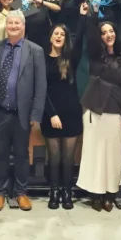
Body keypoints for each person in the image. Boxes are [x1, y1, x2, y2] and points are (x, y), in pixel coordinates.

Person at [76, 0, 121, 212]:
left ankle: (110, 192)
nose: (107, 35)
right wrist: (92, 11)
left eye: (111, 31)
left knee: (112, 154)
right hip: (94, 107)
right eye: (103, 32)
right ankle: (95, 194)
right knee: (94, 153)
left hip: (115, 109)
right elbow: (90, 33)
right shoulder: (94, 53)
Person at [0, 12, 47, 211]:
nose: (13, 25)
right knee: (1, 155)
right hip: (0, 112)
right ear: (6, 25)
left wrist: (35, 115)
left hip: (23, 113)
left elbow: (40, 85)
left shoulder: (35, 50)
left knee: (22, 154)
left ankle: (21, 193)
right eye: (10, 22)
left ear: (23, 26)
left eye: (17, 23)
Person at [40, 22, 82, 210]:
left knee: (68, 158)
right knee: (54, 158)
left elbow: (80, 37)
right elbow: (42, 89)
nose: (58, 36)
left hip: (71, 113)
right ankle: (54, 191)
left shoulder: (71, 58)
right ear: (50, 37)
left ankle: (67, 192)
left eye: (62, 35)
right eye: (55, 33)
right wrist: (52, 114)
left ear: (66, 39)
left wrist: (83, 17)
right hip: (50, 114)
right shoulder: (41, 57)